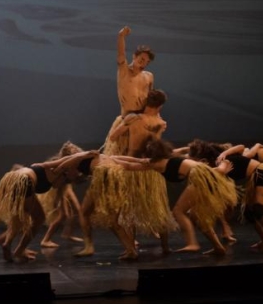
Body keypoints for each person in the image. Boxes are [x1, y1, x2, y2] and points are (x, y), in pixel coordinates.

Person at [111, 138, 238, 256]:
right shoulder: (169, 158)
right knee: (196, 215)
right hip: (209, 178)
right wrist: (113, 157)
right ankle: (218, 247)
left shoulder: (155, 163)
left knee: (178, 211)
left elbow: (129, 165)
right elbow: (135, 160)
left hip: (201, 179)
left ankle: (192, 243)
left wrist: (111, 159)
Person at [54, 149, 175, 260]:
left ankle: (96, 247)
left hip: (106, 177)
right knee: (99, 216)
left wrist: (53, 171)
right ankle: (129, 249)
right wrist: (145, 162)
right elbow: (123, 162)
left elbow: (60, 168)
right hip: (115, 176)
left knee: (98, 216)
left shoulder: (75, 159)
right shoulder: (102, 157)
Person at [0, 149, 97, 263]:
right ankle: (17, 249)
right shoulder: (58, 167)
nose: (78, 173)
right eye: (77, 170)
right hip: (23, 180)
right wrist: (87, 154)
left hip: (14, 180)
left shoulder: (59, 176)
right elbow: (72, 158)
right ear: (69, 167)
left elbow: (68, 181)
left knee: (23, 218)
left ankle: (9, 245)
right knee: (37, 219)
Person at [214, 144, 263, 250]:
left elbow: (222, 169)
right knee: (248, 211)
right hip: (259, 177)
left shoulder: (225, 160)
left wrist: (223, 154)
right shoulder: (229, 160)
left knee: (258, 208)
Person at [102, 25, 155, 156]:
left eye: (146, 62)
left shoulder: (149, 76)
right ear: (134, 56)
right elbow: (121, 54)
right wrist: (121, 36)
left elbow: (152, 101)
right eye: (141, 59)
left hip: (142, 121)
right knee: (121, 157)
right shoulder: (124, 71)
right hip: (126, 120)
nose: (143, 64)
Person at [38, 142, 87, 248]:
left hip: (66, 187)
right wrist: (58, 200)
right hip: (61, 187)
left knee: (77, 210)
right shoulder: (62, 165)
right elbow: (58, 185)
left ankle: (67, 233)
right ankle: (46, 240)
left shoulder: (71, 164)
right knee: (64, 215)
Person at [108, 88, 168, 157]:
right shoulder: (162, 124)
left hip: (129, 159)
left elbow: (112, 137)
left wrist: (120, 121)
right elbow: (155, 146)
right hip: (146, 162)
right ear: (160, 106)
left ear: (145, 101)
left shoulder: (133, 118)